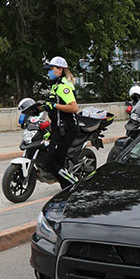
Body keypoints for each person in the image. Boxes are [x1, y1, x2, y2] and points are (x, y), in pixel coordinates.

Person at [43, 56, 79, 189]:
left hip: (66, 129)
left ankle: (74, 186)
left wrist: (54, 106)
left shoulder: (64, 87)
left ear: (60, 70)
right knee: (54, 164)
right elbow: (52, 108)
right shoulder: (55, 86)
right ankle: (67, 188)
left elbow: (74, 107)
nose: (49, 73)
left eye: (51, 69)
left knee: (53, 165)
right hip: (59, 129)